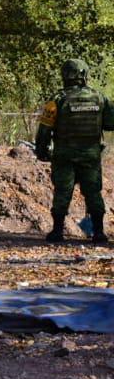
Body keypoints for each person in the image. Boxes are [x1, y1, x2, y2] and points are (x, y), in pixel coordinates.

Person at [35, 58, 114, 244]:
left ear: (64, 75)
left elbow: (44, 129)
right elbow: (110, 124)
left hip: (64, 155)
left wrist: (41, 151)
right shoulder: (100, 97)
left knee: (63, 191)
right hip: (90, 155)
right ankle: (99, 232)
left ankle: (57, 232)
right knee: (93, 192)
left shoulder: (57, 99)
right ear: (84, 75)